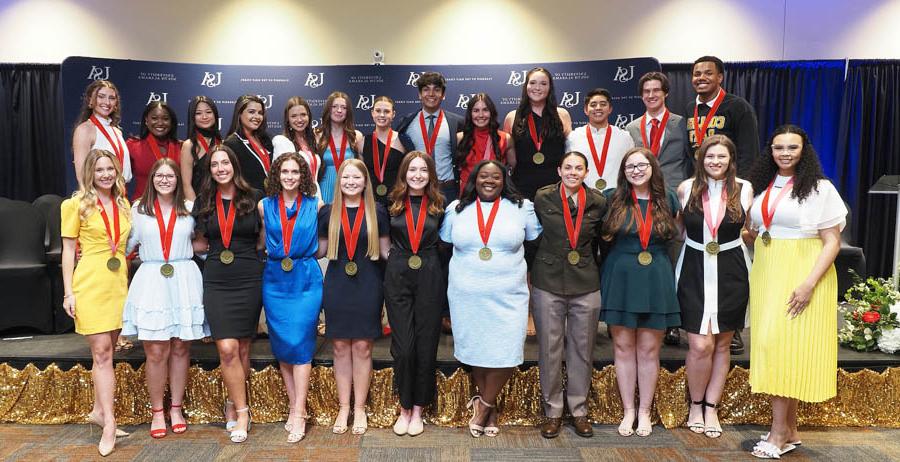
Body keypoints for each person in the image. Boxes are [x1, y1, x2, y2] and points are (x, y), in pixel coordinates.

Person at [746, 124, 845, 459]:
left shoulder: (820, 188)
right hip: (767, 271)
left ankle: (778, 436)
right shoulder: (762, 185)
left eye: (792, 148)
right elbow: (761, 228)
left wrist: (808, 283)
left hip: (802, 272)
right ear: (770, 151)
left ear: (805, 150)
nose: (784, 154)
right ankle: (790, 429)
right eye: (778, 148)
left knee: (784, 348)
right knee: (774, 346)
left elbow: (832, 242)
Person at [439, 160, 542, 438]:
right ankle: (490, 408)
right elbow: (445, 246)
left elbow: (534, 243)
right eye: (483, 176)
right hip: (466, 293)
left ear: (503, 180)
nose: (489, 181)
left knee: (506, 350)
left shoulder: (522, 208)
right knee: (477, 348)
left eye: (495, 176)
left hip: (509, 293)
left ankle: (482, 405)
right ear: (474, 179)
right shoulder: (457, 209)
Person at [121, 158, 208, 439]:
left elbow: (201, 244)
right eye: (159, 175)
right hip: (152, 279)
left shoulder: (190, 209)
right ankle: (157, 411)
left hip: (183, 278)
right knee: (156, 350)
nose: (165, 180)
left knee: (181, 348)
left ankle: (176, 408)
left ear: (177, 180)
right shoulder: (138, 210)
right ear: (152, 179)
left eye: (170, 175)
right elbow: (125, 246)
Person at [674, 135, 752, 439]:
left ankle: (711, 407)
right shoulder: (685, 188)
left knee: (721, 344)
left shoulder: (745, 190)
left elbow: (751, 231)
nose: (715, 162)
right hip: (693, 267)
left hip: (732, 270)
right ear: (701, 159)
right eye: (710, 157)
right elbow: (679, 231)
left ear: (731, 160)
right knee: (699, 344)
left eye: (721, 157)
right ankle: (695, 404)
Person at [600, 147, 681, 438]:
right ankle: (628, 411)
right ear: (623, 171)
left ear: (653, 167)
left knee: (649, 350)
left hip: (656, 276)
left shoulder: (668, 198)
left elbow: (677, 236)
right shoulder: (612, 198)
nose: (636, 170)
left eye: (641, 165)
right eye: (629, 166)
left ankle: (644, 411)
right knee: (622, 348)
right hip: (620, 275)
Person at [685, 56, 761, 355]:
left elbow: (749, 151)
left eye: (707, 73)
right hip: (699, 190)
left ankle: (731, 327)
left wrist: (738, 195)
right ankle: (698, 320)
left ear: (721, 77)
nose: (701, 77)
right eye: (696, 73)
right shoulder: (689, 110)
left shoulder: (738, 107)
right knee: (698, 261)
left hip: (730, 190)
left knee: (731, 263)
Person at [60, 149, 132, 456]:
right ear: (90, 173)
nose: (105, 174)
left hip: (118, 284)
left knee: (106, 352)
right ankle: (110, 424)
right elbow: (67, 252)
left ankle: (98, 410)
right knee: (102, 353)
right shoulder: (74, 204)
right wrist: (68, 292)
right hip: (89, 282)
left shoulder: (123, 203)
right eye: (99, 169)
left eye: (110, 169)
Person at [532, 152, 607, 439]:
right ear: (558, 170)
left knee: (581, 349)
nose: (573, 172)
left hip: (586, 281)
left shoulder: (599, 201)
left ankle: (578, 411)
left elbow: (603, 240)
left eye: (579, 168)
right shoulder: (543, 197)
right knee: (549, 350)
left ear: (587, 172)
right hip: (548, 280)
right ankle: (552, 412)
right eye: (568, 167)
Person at [192, 145, 264, 443]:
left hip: (248, 276)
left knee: (243, 349)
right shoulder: (203, 201)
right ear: (209, 171)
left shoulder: (254, 197)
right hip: (217, 280)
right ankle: (244, 411)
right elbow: (198, 243)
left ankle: (234, 403)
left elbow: (261, 241)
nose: (221, 168)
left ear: (234, 165)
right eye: (214, 165)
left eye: (225, 162)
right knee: (226, 348)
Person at [317, 159, 390, 435]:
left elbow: (385, 251)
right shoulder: (328, 213)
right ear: (339, 181)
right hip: (337, 284)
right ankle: (343, 407)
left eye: (356, 177)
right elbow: (321, 250)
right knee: (338, 347)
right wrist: (289, 250)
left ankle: (359, 408)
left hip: (368, 283)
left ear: (365, 182)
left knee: (362, 347)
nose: (350, 182)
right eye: (345, 177)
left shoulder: (377, 211)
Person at [258, 152, 322, 443]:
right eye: (284, 171)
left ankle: (297, 412)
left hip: (305, 277)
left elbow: (322, 246)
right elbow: (261, 241)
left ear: (303, 175)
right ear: (277, 174)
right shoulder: (263, 206)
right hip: (275, 279)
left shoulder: (315, 204)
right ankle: (297, 407)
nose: (290, 177)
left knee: (301, 342)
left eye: (295, 172)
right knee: (283, 343)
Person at [383, 151, 446, 437]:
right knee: (404, 346)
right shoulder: (392, 204)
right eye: (412, 170)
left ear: (430, 174)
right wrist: (397, 265)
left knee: (426, 344)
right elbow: (384, 245)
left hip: (430, 274)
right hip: (398, 275)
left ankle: (418, 407)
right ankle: (404, 406)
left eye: (423, 170)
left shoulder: (440, 205)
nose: (417, 175)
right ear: (404, 173)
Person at [503, 67, 573, 200]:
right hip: (522, 187)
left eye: (543, 83)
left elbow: (570, 151)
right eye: (533, 83)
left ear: (550, 87)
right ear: (526, 86)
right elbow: (509, 158)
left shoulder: (562, 114)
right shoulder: (512, 117)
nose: (537, 87)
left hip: (556, 187)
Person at [394, 72, 465, 202]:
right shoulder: (406, 123)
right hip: (418, 189)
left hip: (447, 189)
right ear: (419, 94)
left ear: (443, 95)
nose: (431, 94)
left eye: (437, 90)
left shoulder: (457, 122)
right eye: (426, 89)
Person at [625, 72, 690, 189]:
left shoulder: (682, 123)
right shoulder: (631, 128)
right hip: (642, 191)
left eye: (656, 90)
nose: (651, 95)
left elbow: (691, 160)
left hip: (675, 191)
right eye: (646, 91)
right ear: (641, 95)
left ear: (665, 93)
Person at [565, 88, 634, 191]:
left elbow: (631, 168)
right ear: (585, 110)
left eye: (603, 104)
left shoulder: (624, 137)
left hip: (617, 197)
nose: (598, 108)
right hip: (583, 198)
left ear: (610, 109)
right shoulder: (573, 137)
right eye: (593, 105)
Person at [72, 80, 132, 186]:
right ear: (90, 100)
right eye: (101, 96)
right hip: (97, 196)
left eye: (112, 98)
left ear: (116, 104)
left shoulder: (117, 130)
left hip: (120, 194)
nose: (107, 102)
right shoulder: (85, 129)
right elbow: (82, 175)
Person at [456, 93, 515, 192]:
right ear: (470, 114)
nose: (481, 115)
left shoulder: (506, 139)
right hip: (467, 194)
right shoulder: (460, 138)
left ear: (491, 112)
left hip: (495, 192)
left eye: (485, 110)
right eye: (476, 111)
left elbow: (513, 168)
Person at [127, 102, 182, 200]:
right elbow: (120, 180)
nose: (160, 123)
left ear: (171, 122)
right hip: (143, 209)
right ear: (146, 121)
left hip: (174, 209)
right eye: (154, 118)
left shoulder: (181, 147)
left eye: (165, 119)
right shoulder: (132, 146)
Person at [317, 91, 364, 205]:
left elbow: (362, 169)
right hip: (325, 188)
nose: (339, 110)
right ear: (328, 109)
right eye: (335, 106)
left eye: (343, 107)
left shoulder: (355, 136)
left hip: (350, 188)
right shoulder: (317, 135)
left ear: (348, 112)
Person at [272, 96, 321, 195]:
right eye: (294, 116)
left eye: (303, 115)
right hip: (295, 198)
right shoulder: (282, 142)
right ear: (288, 120)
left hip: (315, 195)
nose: (299, 119)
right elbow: (282, 177)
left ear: (309, 116)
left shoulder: (312, 140)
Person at [223, 94, 273, 192]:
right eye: (251, 112)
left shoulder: (266, 139)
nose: (257, 117)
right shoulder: (231, 144)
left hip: (270, 200)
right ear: (239, 114)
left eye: (260, 113)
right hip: (248, 202)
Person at [362, 96, 406, 206]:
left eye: (386, 111)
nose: (382, 115)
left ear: (393, 114)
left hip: (397, 202)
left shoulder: (403, 141)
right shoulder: (361, 143)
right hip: (370, 202)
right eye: (378, 111)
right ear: (372, 113)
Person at [180, 96, 222, 200]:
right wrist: (195, 211)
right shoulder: (189, 145)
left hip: (220, 204)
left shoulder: (222, 143)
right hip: (198, 206)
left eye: (208, 112)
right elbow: (186, 185)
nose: (204, 117)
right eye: (198, 113)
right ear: (192, 117)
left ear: (215, 114)